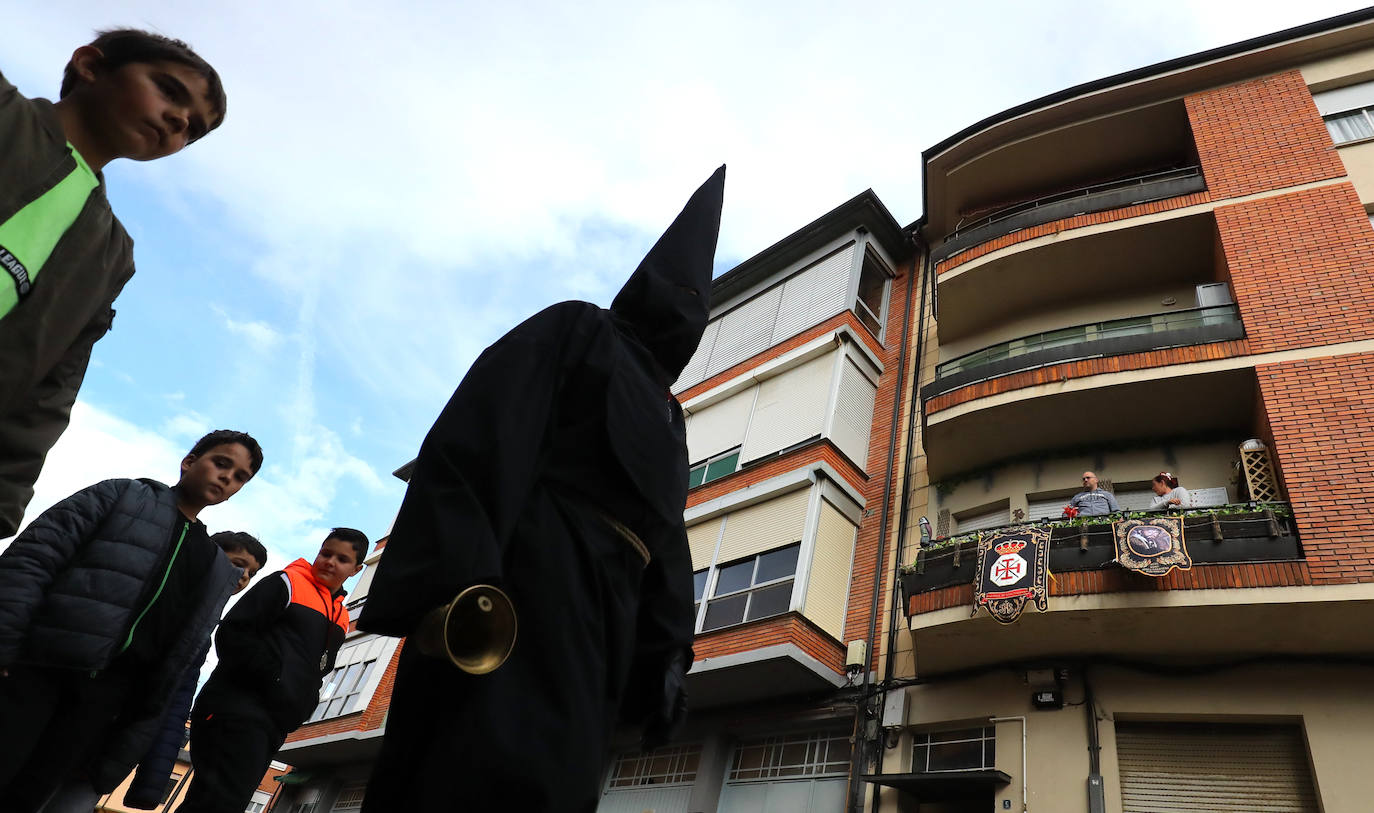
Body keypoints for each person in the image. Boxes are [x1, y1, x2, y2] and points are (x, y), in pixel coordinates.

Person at [356, 166, 724, 812]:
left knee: (560, 783)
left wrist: (669, 653)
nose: (684, 307)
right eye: (676, 288)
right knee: (459, 765)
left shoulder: (672, 416)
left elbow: (667, 538)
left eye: (698, 300)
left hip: (602, 630)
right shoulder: (578, 327)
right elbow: (485, 429)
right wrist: (461, 581)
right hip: (523, 579)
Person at [0, 28, 227, 539]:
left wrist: (5, 495)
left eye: (193, 129)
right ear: (89, 65)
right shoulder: (7, 115)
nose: (178, 121)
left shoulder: (110, 253)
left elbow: (52, 387)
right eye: (169, 90)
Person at [0, 429, 262, 812]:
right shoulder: (122, 496)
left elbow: (179, 657)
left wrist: (133, 719)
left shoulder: (212, 565)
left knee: (26, 798)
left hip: (101, 706)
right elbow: (34, 559)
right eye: (222, 463)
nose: (227, 478)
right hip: (37, 670)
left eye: (240, 477)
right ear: (189, 462)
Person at [40, 533, 268, 813]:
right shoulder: (157, 593)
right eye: (238, 563)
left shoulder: (201, 636)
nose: (243, 577)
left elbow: (173, 706)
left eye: (252, 574)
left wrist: (152, 781)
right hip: (68, 723)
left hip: (110, 750)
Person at [174, 529, 368, 813]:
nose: (329, 562)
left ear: (356, 569)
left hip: (273, 721)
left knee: (221, 802)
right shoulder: (286, 583)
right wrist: (275, 681)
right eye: (326, 553)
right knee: (218, 802)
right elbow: (234, 634)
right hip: (236, 710)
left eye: (342, 559)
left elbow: (321, 668)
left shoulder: (341, 615)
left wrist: (301, 705)